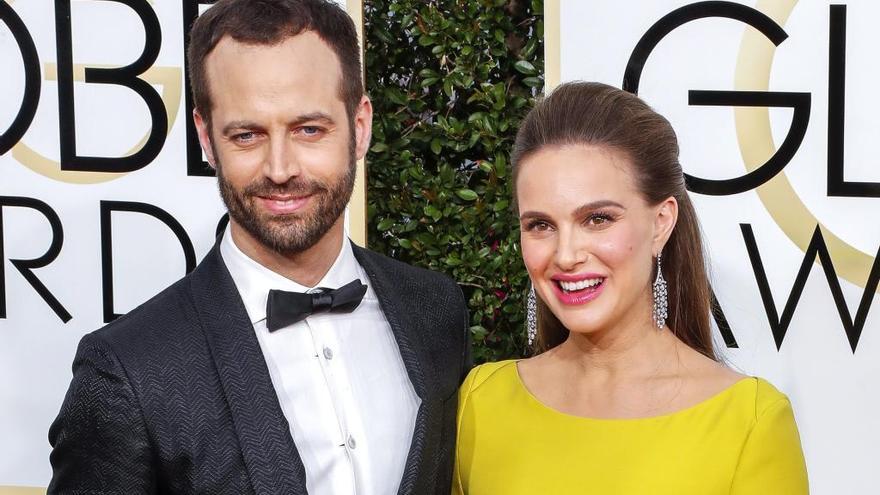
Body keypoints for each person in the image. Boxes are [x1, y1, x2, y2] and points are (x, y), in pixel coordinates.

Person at [48, 1, 470, 493]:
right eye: (247, 135)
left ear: (359, 126)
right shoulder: (128, 371)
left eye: (309, 129)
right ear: (207, 138)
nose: (280, 168)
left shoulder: (435, 309)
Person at [452, 82, 809, 494]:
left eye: (598, 219)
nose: (565, 255)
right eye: (540, 225)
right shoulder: (481, 402)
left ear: (661, 223)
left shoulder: (750, 421)